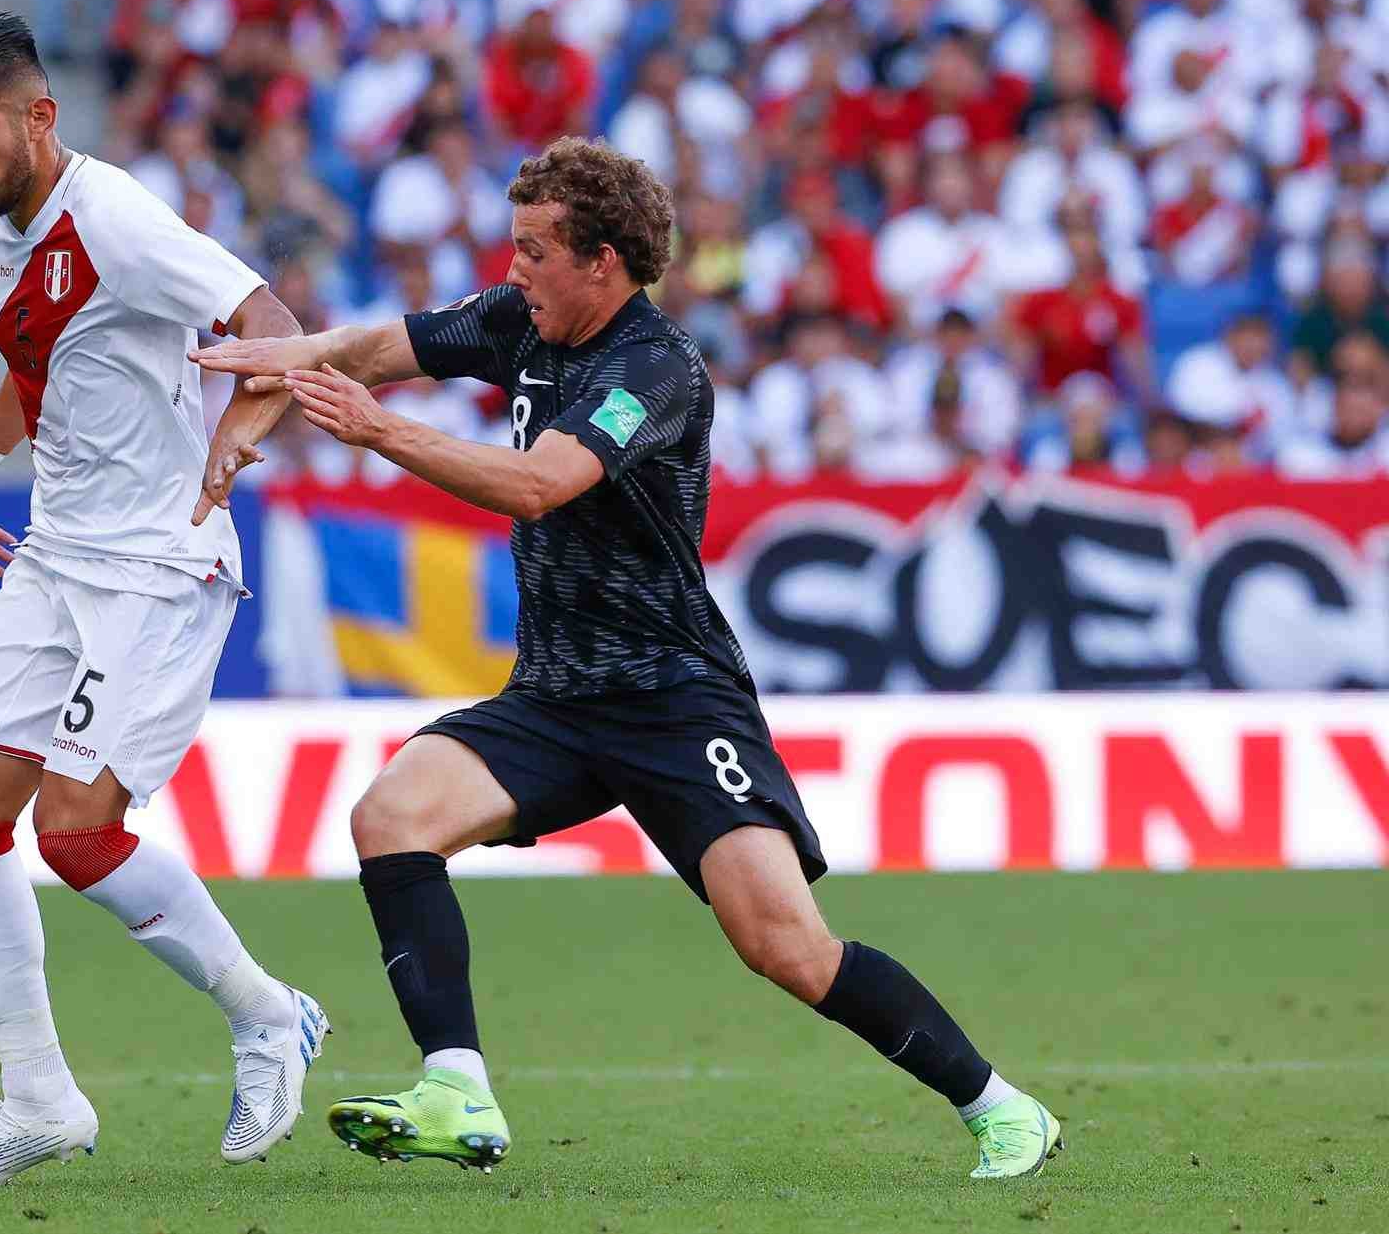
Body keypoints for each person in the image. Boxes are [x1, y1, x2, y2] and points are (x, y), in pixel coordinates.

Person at [191, 137, 1063, 1180]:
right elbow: (378, 346)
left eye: (533, 251)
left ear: (602, 262)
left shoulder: (652, 370)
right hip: (555, 696)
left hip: (674, 700)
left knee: (784, 945)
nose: (512, 270)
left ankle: (1002, 1107)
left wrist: (381, 434)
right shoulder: (521, 321)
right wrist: (272, 361)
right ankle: (456, 1088)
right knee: (393, 817)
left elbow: (538, 484)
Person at [0, 11, 326, 1188]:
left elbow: (275, 329)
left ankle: (264, 1013)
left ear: (41, 118)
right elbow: (41, 349)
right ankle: (40, 1098)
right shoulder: (2, 215)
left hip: (158, 563)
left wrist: (239, 439)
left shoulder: (119, 220)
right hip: (56, 557)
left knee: (78, 831)